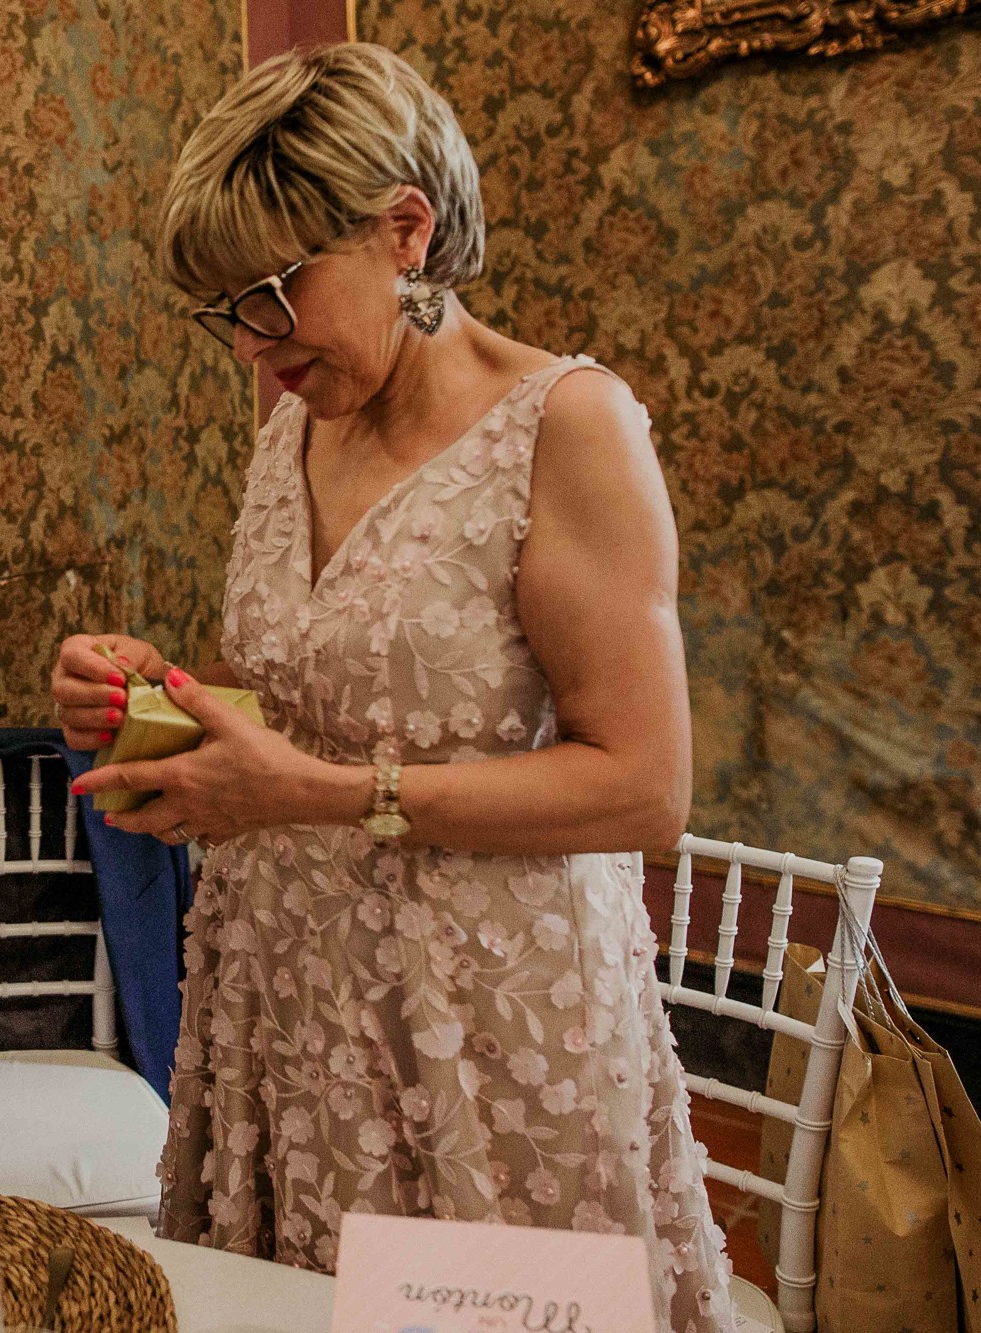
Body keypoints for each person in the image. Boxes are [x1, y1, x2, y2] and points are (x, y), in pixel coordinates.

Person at [53, 44, 733, 1332]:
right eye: (224, 314)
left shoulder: (567, 426)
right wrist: (156, 703)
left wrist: (304, 790)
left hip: (481, 1021)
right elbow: (301, 701)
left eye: (268, 294)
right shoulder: (292, 428)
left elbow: (643, 788)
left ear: (402, 230)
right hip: (286, 993)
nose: (255, 347)